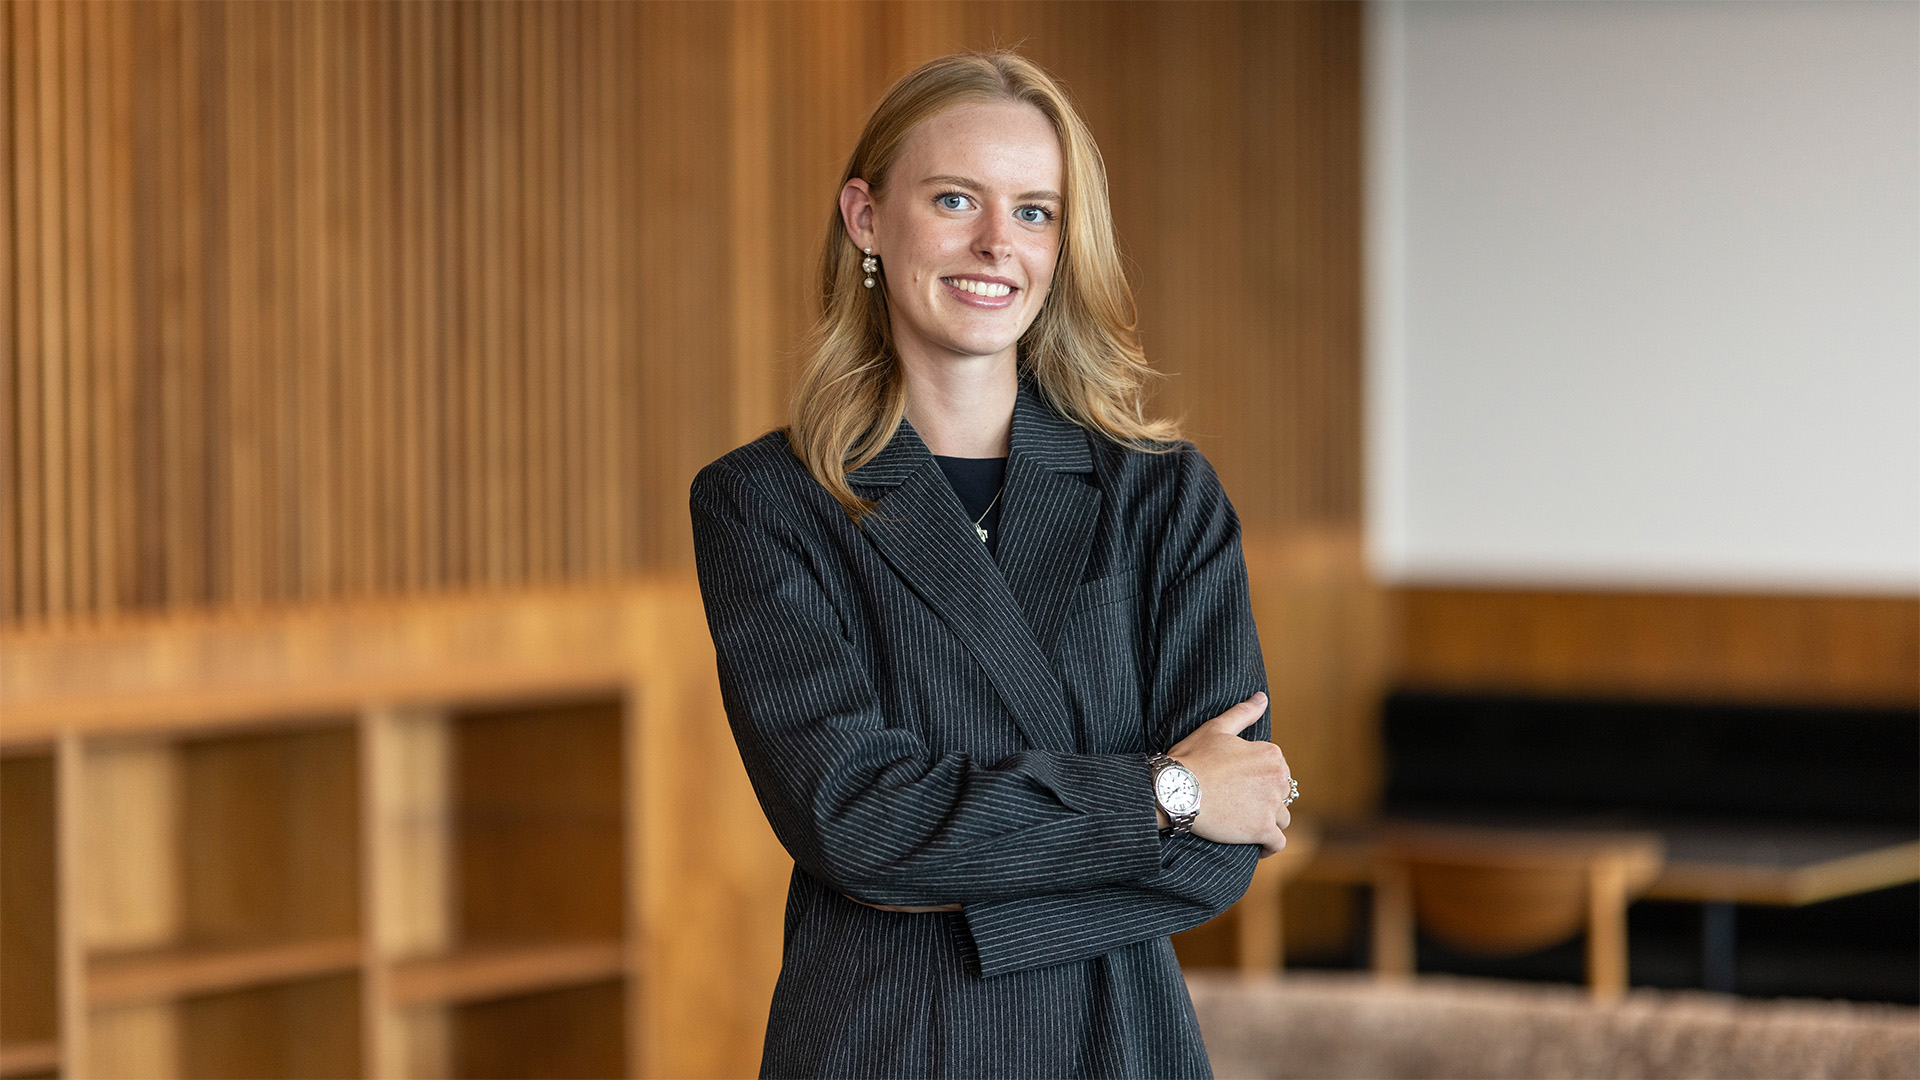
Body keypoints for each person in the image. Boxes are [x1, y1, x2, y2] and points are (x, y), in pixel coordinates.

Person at [691, 50, 1295, 1079]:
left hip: (1119, 1044)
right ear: (866, 218)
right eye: (955, 199)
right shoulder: (766, 502)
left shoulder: (1162, 495)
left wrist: (953, 887)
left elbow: (1227, 845)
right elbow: (857, 821)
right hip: (885, 1044)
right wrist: (1163, 793)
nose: (995, 244)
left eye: (1034, 212)